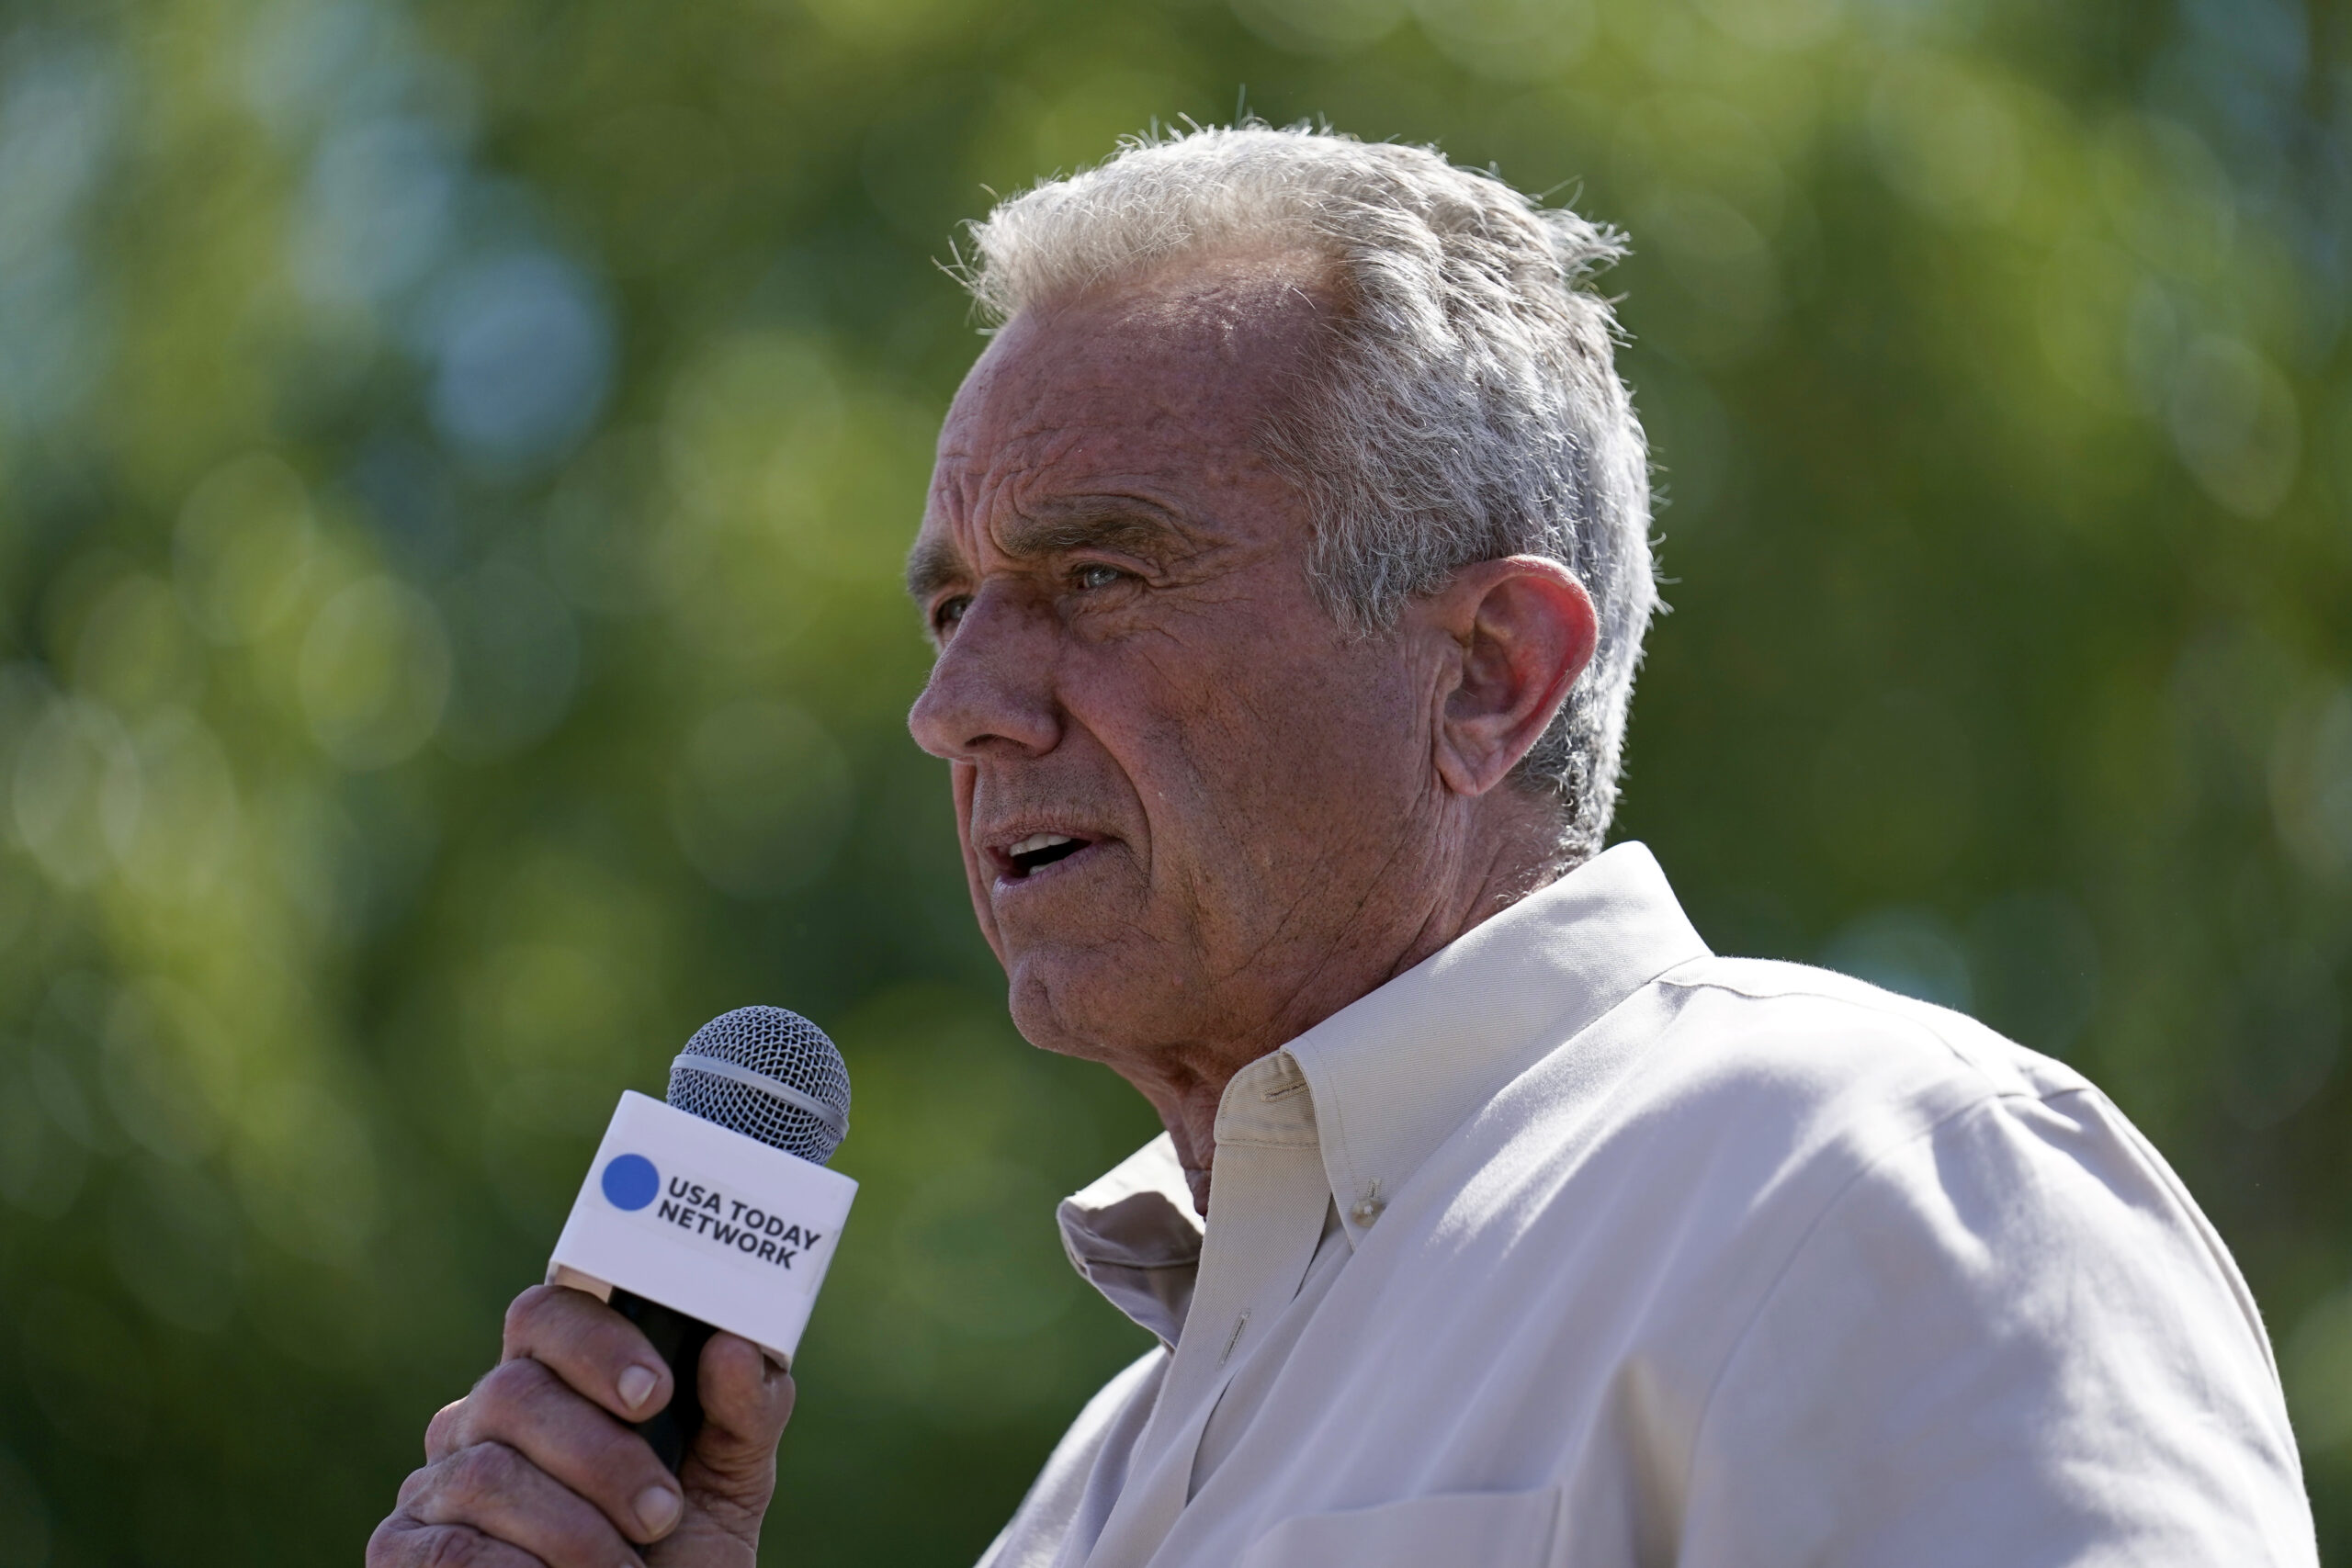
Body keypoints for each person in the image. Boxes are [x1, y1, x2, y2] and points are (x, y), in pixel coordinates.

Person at [368, 125, 2317, 1568]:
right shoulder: (1085, 1493)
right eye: (951, 607)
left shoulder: (1868, 1179)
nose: (957, 706)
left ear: (1489, 673)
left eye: (1100, 575)